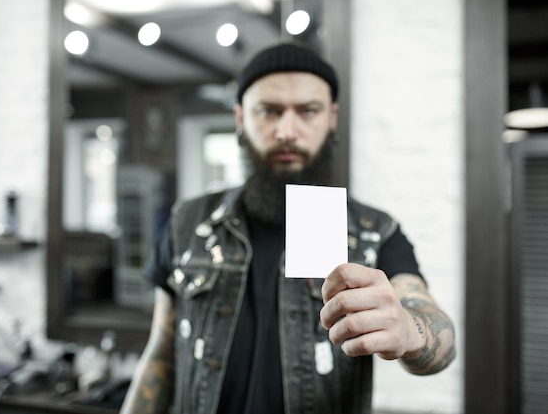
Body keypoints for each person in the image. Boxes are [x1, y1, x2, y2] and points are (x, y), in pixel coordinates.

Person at [120, 42, 456, 414]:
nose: (287, 130)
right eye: (268, 111)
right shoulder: (188, 222)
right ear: (240, 118)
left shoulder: (374, 231)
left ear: (331, 117)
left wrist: (409, 331)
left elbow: (441, 343)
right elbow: (162, 353)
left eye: (307, 111)